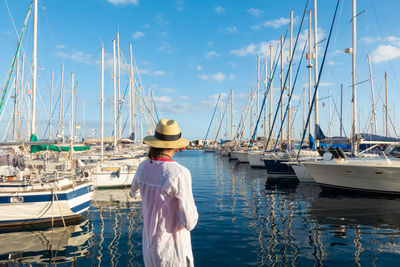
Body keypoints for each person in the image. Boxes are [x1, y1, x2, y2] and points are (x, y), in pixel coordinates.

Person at [130, 119, 198, 267]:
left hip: (150, 248)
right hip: (173, 251)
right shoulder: (179, 173)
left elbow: (133, 193)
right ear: (175, 147)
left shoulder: (142, 167)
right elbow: (189, 222)